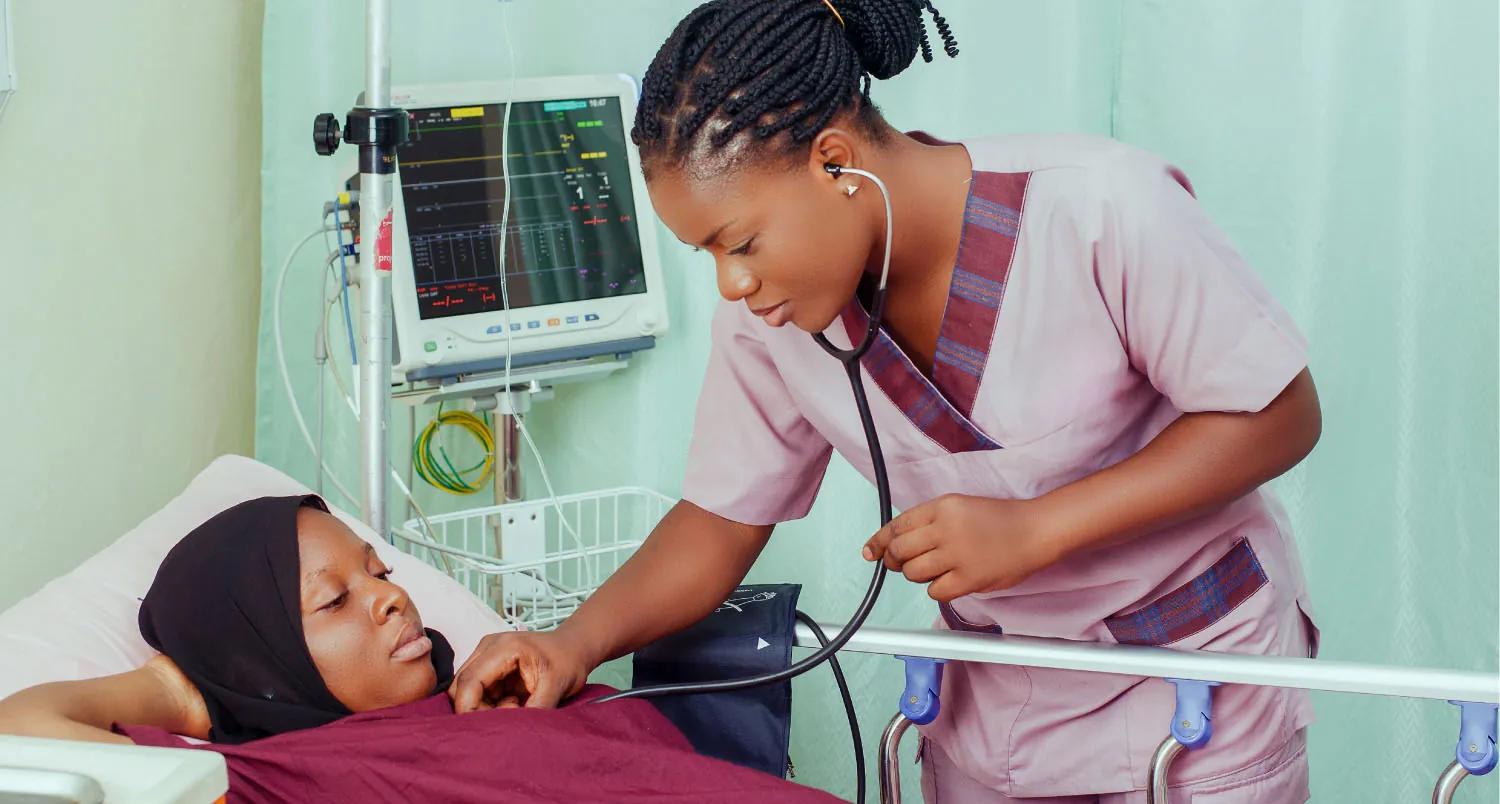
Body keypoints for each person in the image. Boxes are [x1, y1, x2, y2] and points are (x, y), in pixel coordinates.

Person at [449, 1, 1322, 802]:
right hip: (1001, 697)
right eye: (706, 255)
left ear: (836, 161)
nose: (731, 282)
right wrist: (572, 644)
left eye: (740, 240)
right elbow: (719, 522)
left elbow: (1279, 414)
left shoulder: (1097, 208)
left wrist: (1036, 529)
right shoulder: (777, 320)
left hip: (1195, 676)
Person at [0, 496, 841, 804]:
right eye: (335, 600)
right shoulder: (272, 779)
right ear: (259, 665)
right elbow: (25, 727)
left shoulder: (512, 688)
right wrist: (187, 696)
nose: (392, 598)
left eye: (378, 573)